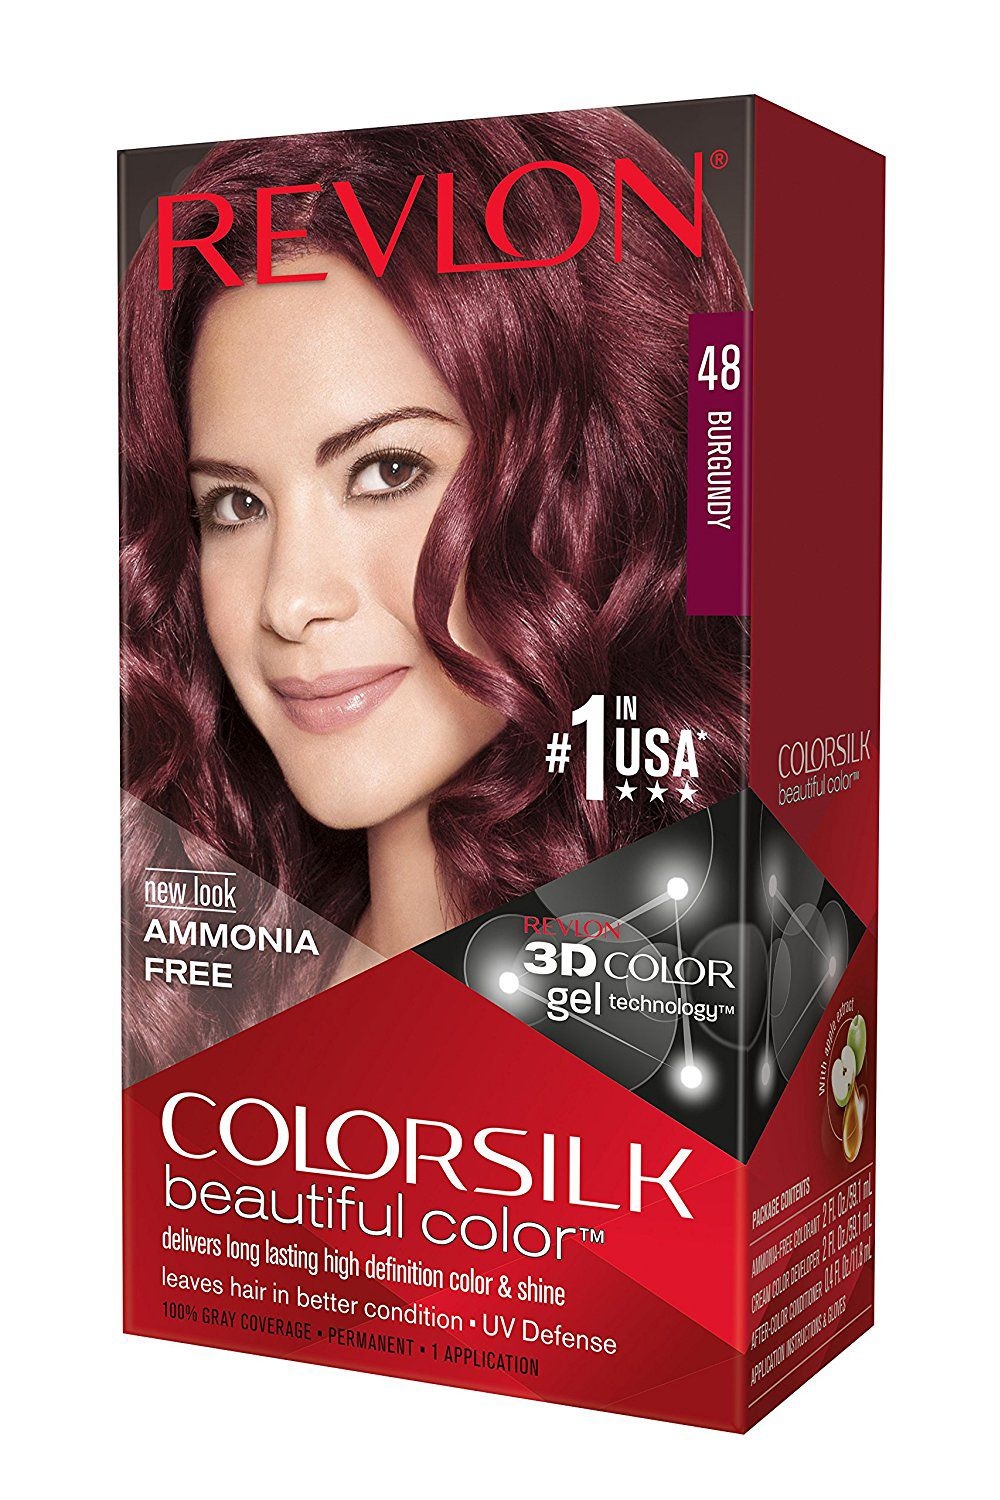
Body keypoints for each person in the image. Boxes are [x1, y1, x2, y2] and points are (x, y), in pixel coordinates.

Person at [120, 109, 749, 1075]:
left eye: (388, 471)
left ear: (590, 486)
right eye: (236, 504)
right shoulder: (175, 1006)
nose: (289, 602)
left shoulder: (719, 1011)